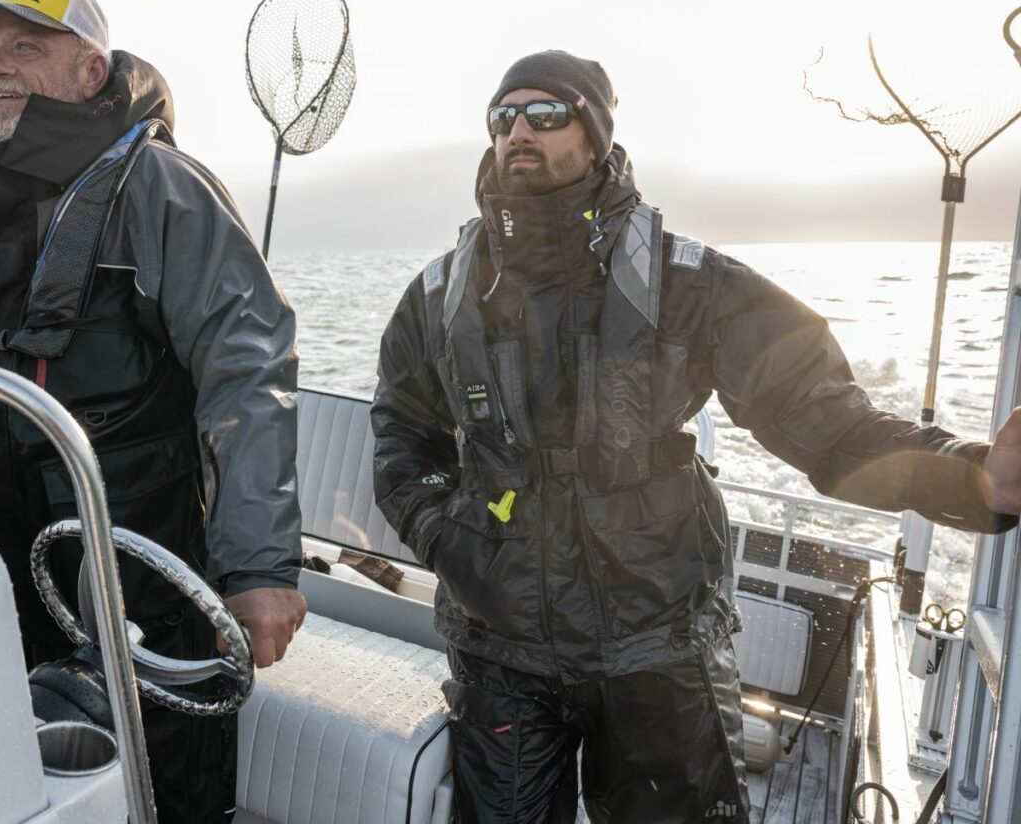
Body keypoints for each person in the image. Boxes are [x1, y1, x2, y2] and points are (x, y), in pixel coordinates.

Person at [370, 49, 1021, 823]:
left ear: (597, 133)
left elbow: (825, 423)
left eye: (546, 115)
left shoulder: (690, 284)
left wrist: (973, 478)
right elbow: (402, 438)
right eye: (504, 116)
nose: (519, 132)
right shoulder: (442, 293)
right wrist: (452, 542)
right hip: (500, 648)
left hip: (656, 647)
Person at [0, 0, 306, 823]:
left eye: (27, 47)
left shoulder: (163, 189)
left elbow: (246, 369)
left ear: (90, 72)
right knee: (11, 762)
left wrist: (259, 566)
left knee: (163, 774)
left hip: (138, 547)